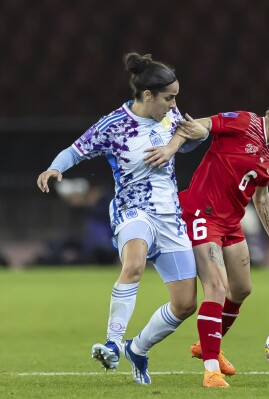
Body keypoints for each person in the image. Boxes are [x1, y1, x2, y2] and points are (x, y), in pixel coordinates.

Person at [36, 52, 208, 385]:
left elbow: (193, 140)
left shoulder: (171, 120)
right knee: (134, 264)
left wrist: (194, 135)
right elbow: (77, 149)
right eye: (169, 98)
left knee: (186, 304)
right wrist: (56, 167)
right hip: (133, 210)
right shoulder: (115, 125)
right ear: (148, 95)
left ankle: (137, 348)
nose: (174, 105)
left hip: (170, 217)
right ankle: (113, 342)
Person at [144, 71, 269, 388]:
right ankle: (210, 370)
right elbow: (198, 125)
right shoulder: (244, 122)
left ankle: (208, 346)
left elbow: (261, 195)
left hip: (230, 223)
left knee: (243, 289)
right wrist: (170, 149)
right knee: (216, 289)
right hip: (201, 213)